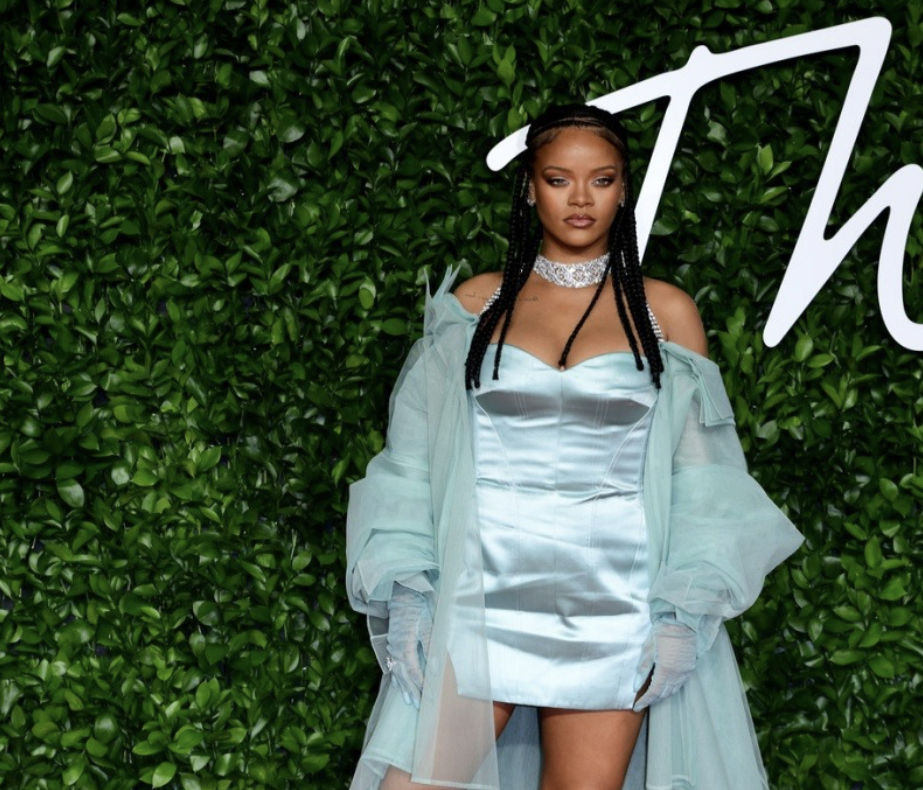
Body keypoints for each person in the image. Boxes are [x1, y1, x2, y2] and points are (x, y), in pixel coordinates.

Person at [345, 104, 805, 790]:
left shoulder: (666, 313)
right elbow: (410, 464)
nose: (581, 199)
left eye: (603, 179)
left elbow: (703, 481)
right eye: (559, 179)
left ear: (624, 190)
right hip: (479, 597)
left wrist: (680, 617)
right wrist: (412, 590)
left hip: (612, 607)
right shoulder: (472, 308)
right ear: (530, 188)